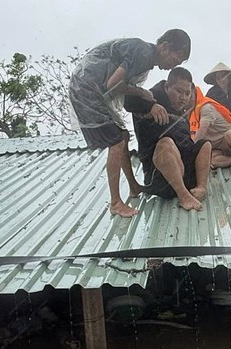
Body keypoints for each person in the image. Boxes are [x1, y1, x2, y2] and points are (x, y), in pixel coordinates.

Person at [69, 30, 193, 218]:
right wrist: (141, 93)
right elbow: (112, 83)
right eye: (174, 60)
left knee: (123, 136)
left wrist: (139, 93)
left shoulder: (145, 57)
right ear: (165, 46)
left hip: (89, 86)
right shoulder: (143, 53)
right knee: (116, 142)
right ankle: (116, 202)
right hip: (87, 88)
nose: (171, 67)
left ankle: (133, 186)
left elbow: (118, 87)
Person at [124, 67, 212, 210]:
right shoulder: (151, 98)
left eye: (187, 93)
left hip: (186, 175)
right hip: (162, 178)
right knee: (166, 143)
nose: (183, 97)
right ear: (166, 87)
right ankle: (183, 196)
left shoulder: (183, 113)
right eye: (179, 91)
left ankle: (201, 187)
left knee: (205, 144)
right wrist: (150, 107)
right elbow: (127, 100)